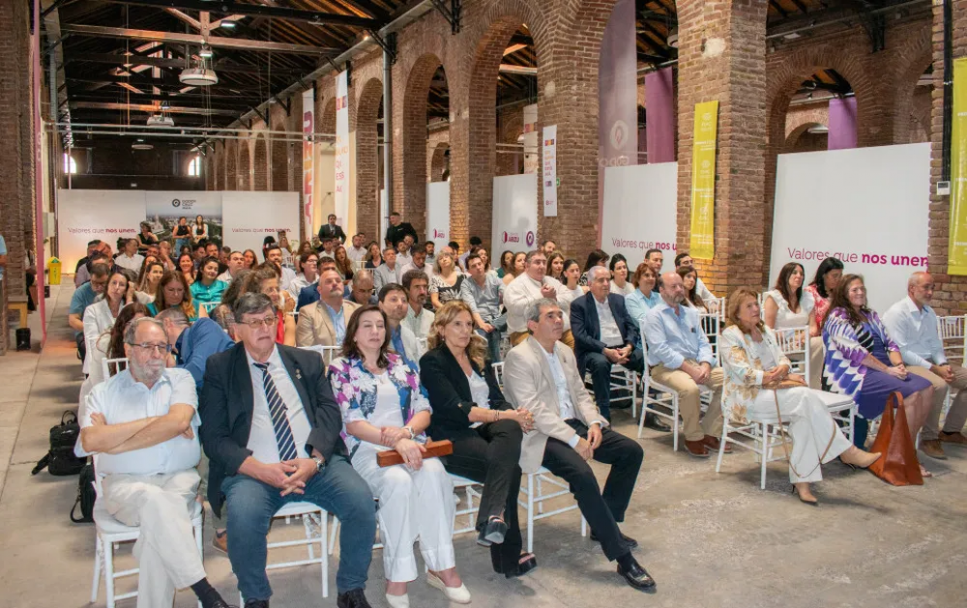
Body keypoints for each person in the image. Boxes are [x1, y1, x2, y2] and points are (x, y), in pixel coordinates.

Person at [199, 293, 377, 608]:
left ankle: (351, 589)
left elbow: (329, 413)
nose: (264, 328)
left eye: (269, 320)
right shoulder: (220, 368)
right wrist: (260, 469)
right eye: (253, 323)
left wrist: (315, 460)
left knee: (361, 501)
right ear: (236, 329)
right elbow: (213, 437)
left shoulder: (305, 361)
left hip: (314, 465)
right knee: (243, 516)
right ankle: (256, 597)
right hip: (254, 472)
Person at [79, 318, 235, 608]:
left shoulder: (181, 380)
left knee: (157, 522)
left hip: (179, 479)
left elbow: (178, 421)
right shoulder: (103, 393)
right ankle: (206, 593)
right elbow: (90, 441)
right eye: (147, 346)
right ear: (128, 348)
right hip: (124, 486)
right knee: (157, 504)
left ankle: (207, 597)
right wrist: (159, 424)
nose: (156, 354)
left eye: (162, 347)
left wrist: (115, 439)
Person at [502, 299, 654, 591]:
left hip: (576, 424)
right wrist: (574, 440)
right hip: (542, 435)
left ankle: (605, 522)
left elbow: (581, 394)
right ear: (533, 324)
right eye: (550, 316)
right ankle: (622, 556)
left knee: (631, 452)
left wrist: (594, 423)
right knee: (583, 475)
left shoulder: (564, 351)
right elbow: (534, 411)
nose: (559, 320)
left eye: (560, 315)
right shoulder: (519, 357)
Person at [328, 306, 470, 608]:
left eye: (380, 325)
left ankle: (442, 566)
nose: (375, 331)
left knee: (435, 475)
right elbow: (352, 422)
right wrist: (392, 440)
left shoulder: (401, 364)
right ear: (354, 333)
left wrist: (405, 435)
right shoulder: (341, 369)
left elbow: (423, 409)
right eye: (367, 325)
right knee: (397, 482)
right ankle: (398, 575)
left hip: (410, 441)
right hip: (366, 448)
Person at [721, 289, 881, 504]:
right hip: (746, 397)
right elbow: (744, 373)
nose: (756, 309)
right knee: (804, 398)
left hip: (774, 390)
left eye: (756, 304)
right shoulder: (730, 335)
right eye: (749, 306)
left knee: (804, 414)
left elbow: (784, 359)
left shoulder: (765, 331)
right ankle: (846, 451)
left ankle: (803, 481)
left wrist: (782, 369)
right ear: (737, 312)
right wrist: (771, 375)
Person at [419, 301, 536, 578]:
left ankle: (490, 518)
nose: (464, 330)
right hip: (453, 435)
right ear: (441, 328)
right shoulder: (433, 361)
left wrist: (514, 413)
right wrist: (505, 415)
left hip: (485, 429)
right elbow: (457, 409)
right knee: (510, 467)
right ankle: (507, 552)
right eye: (457, 324)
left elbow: (497, 396)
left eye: (469, 324)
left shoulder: (477, 359)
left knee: (511, 429)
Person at [822, 274, 934, 476]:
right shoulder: (837, 317)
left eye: (862, 289)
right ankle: (898, 457)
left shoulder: (871, 315)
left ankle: (907, 451)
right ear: (844, 294)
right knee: (911, 395)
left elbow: (891, 343)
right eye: (854, 289)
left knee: (927, 388)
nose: (860, 292)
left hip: (884, 368)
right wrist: (888, 370)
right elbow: (856, 353)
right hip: (855, 374)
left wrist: (898, 364)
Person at [884, 272, 967, 459]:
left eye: (932, 288)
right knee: (939, 384)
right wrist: (935, 370)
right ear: (912, 288)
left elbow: (935, 344)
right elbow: (901, 351)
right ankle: (929, 438)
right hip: (905, 364)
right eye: (926, 288)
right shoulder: (897, 312)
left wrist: (943, 364)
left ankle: (950, 431)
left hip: (929, 363)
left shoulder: (929, 312)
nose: (930, 292)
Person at [644, 272, 726, 458]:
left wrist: (705, 365)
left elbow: (704, 343)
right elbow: (662, 350)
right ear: (662, 290)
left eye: (681, 285)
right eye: (674, 286)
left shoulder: (692, 313)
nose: (680, 289)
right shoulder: (654, 316)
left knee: (729, 380)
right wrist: (691, 370)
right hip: (665, 367)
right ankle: (693, 437)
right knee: (690, 389)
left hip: (696, 363)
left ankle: (710, 431)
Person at [570, 266, 645, 422]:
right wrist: (605, 350)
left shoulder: (618, 300)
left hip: (622, 348)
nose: (606, 284)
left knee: (646, 358)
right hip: (595, 350)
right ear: (590, 284)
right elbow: (580, 336)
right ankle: (604, 413)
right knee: (601, 363)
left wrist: (629, 347)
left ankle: (648, 409)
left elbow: (631, 326)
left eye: (607, 280)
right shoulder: (579, 305)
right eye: (600, 280)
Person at [763, 262, 823, 389]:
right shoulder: (774, 297)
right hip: (780, 343)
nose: (799, 276)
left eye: (801, 274)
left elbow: (813, 327)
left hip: (802, 342)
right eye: (794, 273)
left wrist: (802, 336)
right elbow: (768, 330)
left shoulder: (806, 297)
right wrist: (791, 337)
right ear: (785, 275)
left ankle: (812, 385)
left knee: (820, 342)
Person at [504, 250, 575, 348]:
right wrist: (540, 295)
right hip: (525, 331)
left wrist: (554, 298)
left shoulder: (551, 281)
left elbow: (569, 297)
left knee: (576, 344)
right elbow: (515, 308)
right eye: (537, 262)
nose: (542, 266)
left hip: (558, 329)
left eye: (544, 263)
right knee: (544, 349)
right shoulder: (515, 285)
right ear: (527, 266)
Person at [156, 307, 235, 390]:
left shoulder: (204, 325)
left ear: (167, 323)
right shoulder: (180, 357)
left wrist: (162, 373)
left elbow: (198, 370)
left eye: (156, 327)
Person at [459, 253, 506, 363]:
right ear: (469, 271)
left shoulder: (494, 278)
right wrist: (481, 324)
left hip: (497, 320)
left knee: (513, 313)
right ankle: (494, 367)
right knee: (487, 336)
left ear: (483, 264)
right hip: (479, 320)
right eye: (473, 266)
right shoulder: (466, 284)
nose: (478, 267)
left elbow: (506, 293)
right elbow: (471, 306)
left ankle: (493, 367)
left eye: (479, 264)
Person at [297, 268, 360, 347]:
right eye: (329, 282)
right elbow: (306, 349)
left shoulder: (357, 310)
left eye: (338, 281)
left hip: (354, 358)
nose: (334, 283)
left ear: (344, 287)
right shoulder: (307, 313)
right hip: (323, 359)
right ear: (319, 290)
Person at [243, 264, 296, 347]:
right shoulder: (244, 320)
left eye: (277, 289)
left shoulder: (287, 320)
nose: (276, 293)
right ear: (256, 292)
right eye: (270, 290)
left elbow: (288, 353)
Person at [69, 263, 110, 361]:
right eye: (95, 283)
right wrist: (92, 329)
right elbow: (73, 320)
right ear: (90, 278)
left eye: (103, 283)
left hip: (110, 330)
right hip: (86, 331)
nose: (99, 287)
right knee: (85, 347)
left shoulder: (114, 290)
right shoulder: (81, 292)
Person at [379, 283, 422, 369]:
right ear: (380, 305)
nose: (400, 304)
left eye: (404, 301)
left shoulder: (410, 335)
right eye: (394, 299)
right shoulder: (374, 335)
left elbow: (419, 366)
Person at [211, 269, 251, 342]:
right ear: (236, 290)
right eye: (246, 291)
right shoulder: (224, 310)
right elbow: (222, 339)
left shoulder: (259, 311)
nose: (249, 295)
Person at [805, 256, 844, 329]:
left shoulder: (839, 294)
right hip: (816, 335)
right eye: (834, 276)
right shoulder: (810, 292)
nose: (838, 279)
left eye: (840, 275)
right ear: (824, 275)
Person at [625, 263, 662, 327]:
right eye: (647, 275)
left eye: (653, 276)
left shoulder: (661, 297)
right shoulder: (631, 299)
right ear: (638, 279)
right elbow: (643, 322)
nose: (651, 278)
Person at [401, 270, 434, 339]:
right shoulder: (398, 318)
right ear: (406, 290)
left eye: (425, 287)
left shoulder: (431, 317)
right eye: (417, 287)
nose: (422, 291)